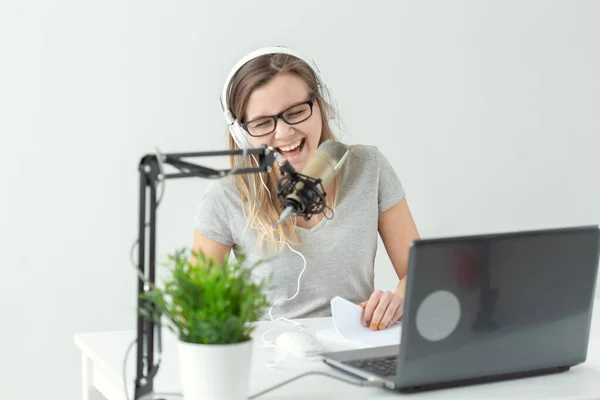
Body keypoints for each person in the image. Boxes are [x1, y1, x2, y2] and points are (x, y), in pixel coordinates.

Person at [193, 46, 420, 331]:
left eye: (297, 111)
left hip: (355, 345)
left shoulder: (368, 167)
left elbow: (420, 274)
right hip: (271, 359)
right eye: (263, 123)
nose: (285, 132)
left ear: (321, 105)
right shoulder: (226, 196)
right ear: (242, 134)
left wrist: (398, 299)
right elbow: (195, 304)